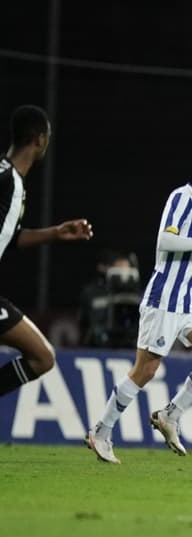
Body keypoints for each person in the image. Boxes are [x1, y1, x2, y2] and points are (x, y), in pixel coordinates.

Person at [84, 143, 192, 464]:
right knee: (146, 369)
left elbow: (190, 249)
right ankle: (101, 431)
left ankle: (170, 415)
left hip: (190, 300)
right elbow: (165, 241)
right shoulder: (183, 197)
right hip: (166, 298)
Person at [0, 105, 95, 397]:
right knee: (41, 357)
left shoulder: (6, 175)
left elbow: (10, 237)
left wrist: (56, 232)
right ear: (40, 140)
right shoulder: (11, 182)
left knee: (42, 356)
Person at [78, 249, 142, 349]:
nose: (122, 273)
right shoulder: (91, 292)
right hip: (98, 345)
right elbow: (83, 322)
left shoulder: (138, 294)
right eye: (118, 268)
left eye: (126, 269)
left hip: (131, 345)